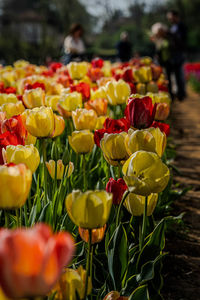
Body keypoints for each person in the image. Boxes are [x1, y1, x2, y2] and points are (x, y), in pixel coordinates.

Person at [166, 10, 187, 100]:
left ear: (176, 16)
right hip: (173, 54)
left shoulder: (181, 26)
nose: (169, 19)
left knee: (179, 74)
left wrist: (170, 34)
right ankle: (179, 93)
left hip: (179, 53)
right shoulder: (173, 27)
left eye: (171, 17)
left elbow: (181, 40)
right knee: (175, 74)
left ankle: (181, 93)